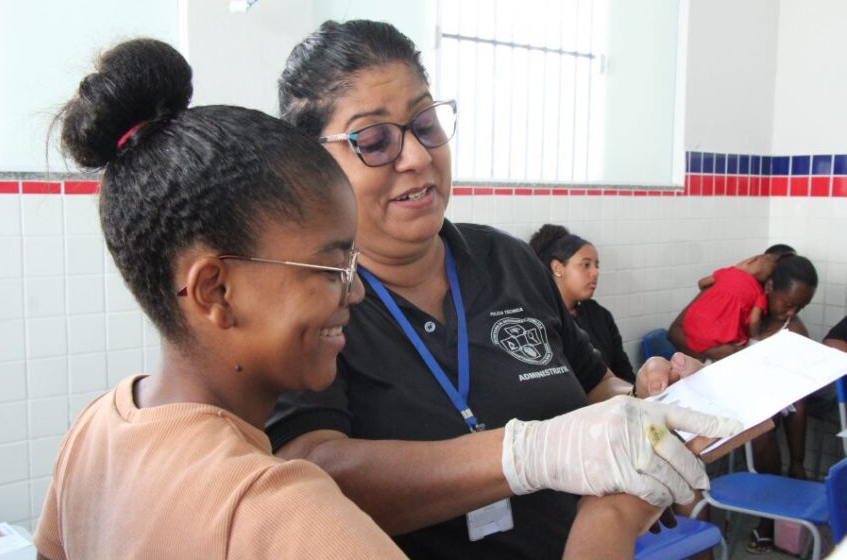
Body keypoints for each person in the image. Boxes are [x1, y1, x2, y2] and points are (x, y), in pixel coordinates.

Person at [268, 19, 739, 559]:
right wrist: (525, 455)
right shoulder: (311, 294)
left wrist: (645, 402)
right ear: (313, 165)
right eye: (374, 141)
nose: (417, 156)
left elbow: (594, 386)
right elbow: (311, 471)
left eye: (425, 124)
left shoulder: (505, 259)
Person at [33, 38, 408, 559]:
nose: (357, 288)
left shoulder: (97, 428)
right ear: (216, 291)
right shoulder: (286, 514)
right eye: (332, 266)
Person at [669, 254, 818, 554]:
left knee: (763, 428)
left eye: (800, 307)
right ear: (771, 286)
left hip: (759, 402)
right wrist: (714, 350)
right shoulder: (733, 295)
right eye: (787, 302)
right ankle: (693, 524)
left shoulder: (794, 329)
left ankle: (768, 519)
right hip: (713, 389)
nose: (791, 311)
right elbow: (675, 332)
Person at [529, 224, 635, 383]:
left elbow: (624, 372)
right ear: (558, 268)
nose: (595, 272)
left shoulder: (600, 315)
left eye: (596, 265)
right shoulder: (540, 321)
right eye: (586, 265)